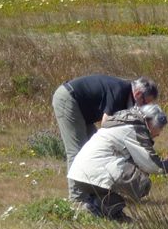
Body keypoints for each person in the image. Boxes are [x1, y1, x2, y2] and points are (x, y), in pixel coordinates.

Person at [52, 74, 159, 202]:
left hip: (83, 111)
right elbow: (106, 124)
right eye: (145, 102)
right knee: (78, 151)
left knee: (92, 151)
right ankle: (77, 199)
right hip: (69, 99)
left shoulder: (128, 97)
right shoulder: (120, 91)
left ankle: (93, 194)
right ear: (137, 93)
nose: (143, 107)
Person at [67, 104, 168, 220]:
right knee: (142, 182)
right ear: (149, 121)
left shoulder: (123, 122)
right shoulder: (135, 128)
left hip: (79, 174)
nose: (159, 133)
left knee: (132, 172)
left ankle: (106, 210)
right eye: (159, 127)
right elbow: (152, 165)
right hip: (92, 173)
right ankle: (99, 207)